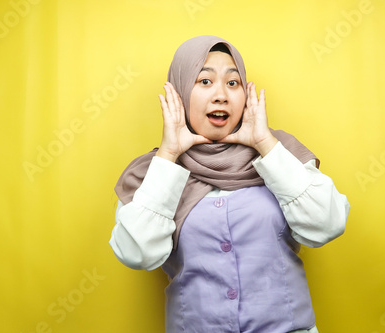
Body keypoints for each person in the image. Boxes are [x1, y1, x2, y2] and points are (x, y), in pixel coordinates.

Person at [109, 35, 350, 333]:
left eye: (233, 83)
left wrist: (264, 144)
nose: (221, 95)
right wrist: (170, 154)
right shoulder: (153, 171)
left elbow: (328, 224)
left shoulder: (280, 152)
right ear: (181, 91)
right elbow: (138, 255)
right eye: (205, 81)